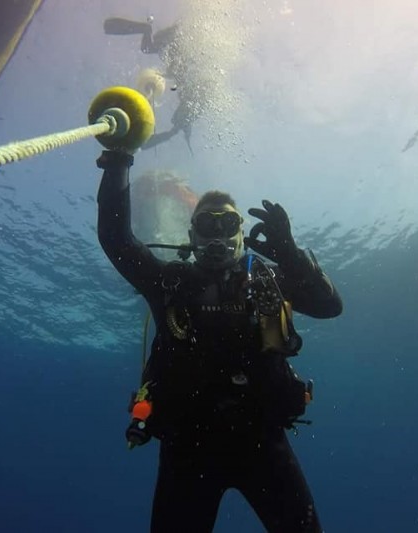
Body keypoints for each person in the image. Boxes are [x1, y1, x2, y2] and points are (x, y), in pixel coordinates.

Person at [96, 148, 343, 532]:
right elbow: (116, 240)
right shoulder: (169, 283)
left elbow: (330, 307)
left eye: (227, 223)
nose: (218, 235)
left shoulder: (270, 281)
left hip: (262, 442)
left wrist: (291, 255)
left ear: (241, 233)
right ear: (191, 234)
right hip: (187, 449)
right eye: (206, 225)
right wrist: (118, 159)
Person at [104, 17, 196, 152]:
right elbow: (178, 69)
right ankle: (146, 29)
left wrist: (165, 74)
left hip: (170, 42)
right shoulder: (190, 94)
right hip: (171, 42)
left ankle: (146, 29)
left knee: (148, 49)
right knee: (178, 122)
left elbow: (177, 70)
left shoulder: (189, 94)